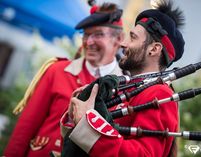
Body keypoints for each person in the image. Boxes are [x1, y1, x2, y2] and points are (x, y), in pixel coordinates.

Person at [60, 0, 185, 156]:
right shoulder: (130, 86)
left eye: (132, 37)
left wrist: (87, 124)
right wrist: (77, 115)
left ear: (154, 49)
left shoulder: (160, 94)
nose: (124, 43)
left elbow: (143, 154)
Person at [4, 2, 124, 157]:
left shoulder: (125, 86)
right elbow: (25, 128)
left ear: (119, 39)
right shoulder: (57, 71)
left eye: (98, 34)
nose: (88, 42)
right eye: (86, 34)